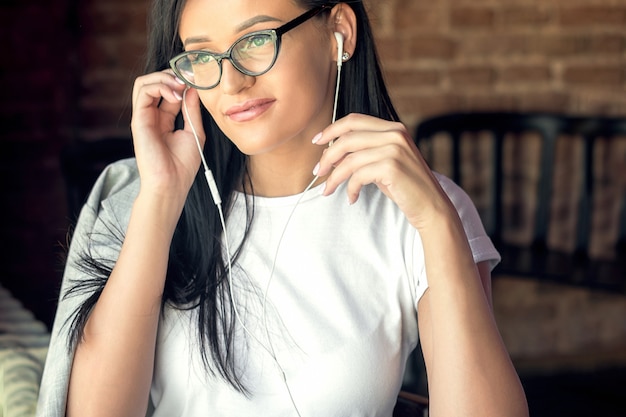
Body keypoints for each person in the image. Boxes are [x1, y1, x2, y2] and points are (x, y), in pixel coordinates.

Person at [37, 0, 529, 416]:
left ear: (339, 31)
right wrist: (161, 197)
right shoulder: (140, 206)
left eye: (255, 40)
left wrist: (436, 223)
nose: (230, 84)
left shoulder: (423, 213)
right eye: (202, 55)